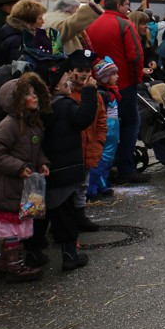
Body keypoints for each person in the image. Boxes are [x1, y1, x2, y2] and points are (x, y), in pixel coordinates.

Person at [25, 58, 97, 272]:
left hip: (40, 170)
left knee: (38, 214)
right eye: (67, 79)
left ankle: (33, 253)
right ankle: (69, 255)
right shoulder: (64, 106)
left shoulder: (41, 108)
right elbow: (83, 119)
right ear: (57, 85)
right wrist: (90, 92)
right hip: (62, 171)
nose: (70, 82)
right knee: (64, 215)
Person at [0, 72, 51, 283]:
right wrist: (19, 167)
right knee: (11, 228)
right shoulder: (10, 124)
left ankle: (6, 264)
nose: (35, 97)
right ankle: (14, 266)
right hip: (7, 186)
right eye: (28, 94)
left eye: (35, 93)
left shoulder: (32, 124)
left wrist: (42, 163)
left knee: (16, 228)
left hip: (22, 187)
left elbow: (35, 149)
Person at [85, 0, 147, 184]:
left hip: (96, 83)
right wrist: (137, 80)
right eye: (127, 4)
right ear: (119, 5)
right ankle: (126, 168)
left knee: (102, 127)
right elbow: (135, 56)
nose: (129, 8)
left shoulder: (91, 24)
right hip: (123, 84)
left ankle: (103, 168)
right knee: (130, 124)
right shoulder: (125, 24)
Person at [66, 49, 102, 232]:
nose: (84, 74)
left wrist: (99, 142)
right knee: (68, 187)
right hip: (72, 149)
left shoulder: (94, 93)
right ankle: (66, 219)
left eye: (88, 71)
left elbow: (101, 119)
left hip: (88, 146)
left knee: (83, 184)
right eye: (80, 70)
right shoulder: (66, 93)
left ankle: (80, 215)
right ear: (70, 71)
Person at [87, 59, 120, 200]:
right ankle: (92, 188)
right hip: (106, 128)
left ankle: (103, 184)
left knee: (108, 159)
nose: (117, 77)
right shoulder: (103, 94)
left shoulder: (109, 91)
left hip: (113, 129)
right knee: (102, 159)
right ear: (106, 77)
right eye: (113, 74)